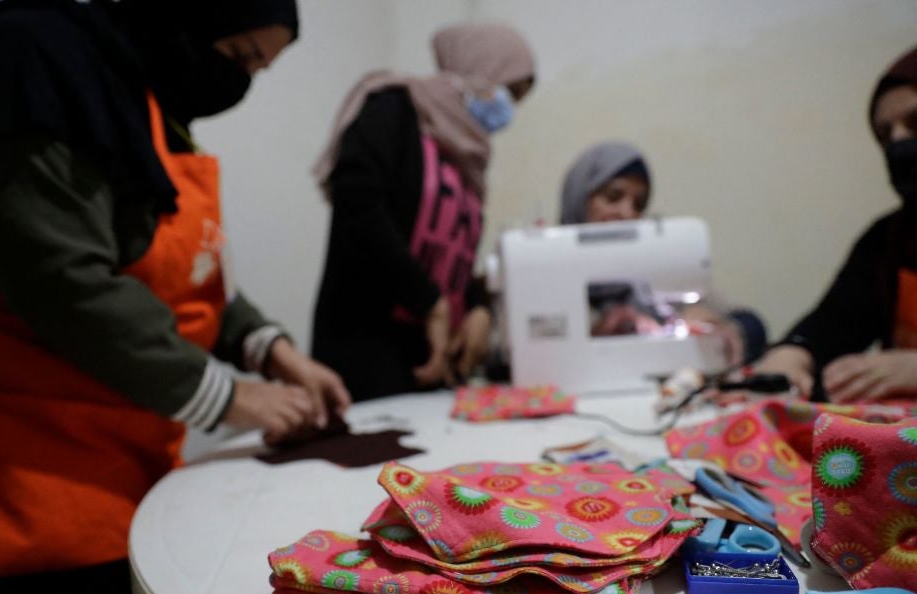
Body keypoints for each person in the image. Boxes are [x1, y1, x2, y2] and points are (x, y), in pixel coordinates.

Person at [0, 0, 348, 594]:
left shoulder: (149, 104)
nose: (242, 82)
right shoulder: (32, 65)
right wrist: (231, 398)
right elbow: (66, 285)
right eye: (242, 57)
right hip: (21, 467)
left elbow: (183, 274)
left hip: (119, 450)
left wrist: (273, 349)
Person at [310, 23, 536, 401]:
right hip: (365, 348)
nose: (509, 108)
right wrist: (429, 302)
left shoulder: (468, 156)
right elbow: (359, 208)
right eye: (508, 90)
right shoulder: (392, 106)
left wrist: (478, 310)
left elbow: (457, 254)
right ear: (476, 68)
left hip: (432, 357)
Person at [751, 45, 917, 403]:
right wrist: (792, 355)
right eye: (886, 135)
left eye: (914, 123)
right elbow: (838, 319)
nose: (900, 143)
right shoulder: (888, 238)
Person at [559, 141, 768, 365]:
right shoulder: (551, 274)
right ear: (580, 199)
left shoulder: (653, 261)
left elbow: (753, 325)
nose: (628, 213)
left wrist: (727, 329)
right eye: (613, 196)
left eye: (638, 204)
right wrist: (592, 334)